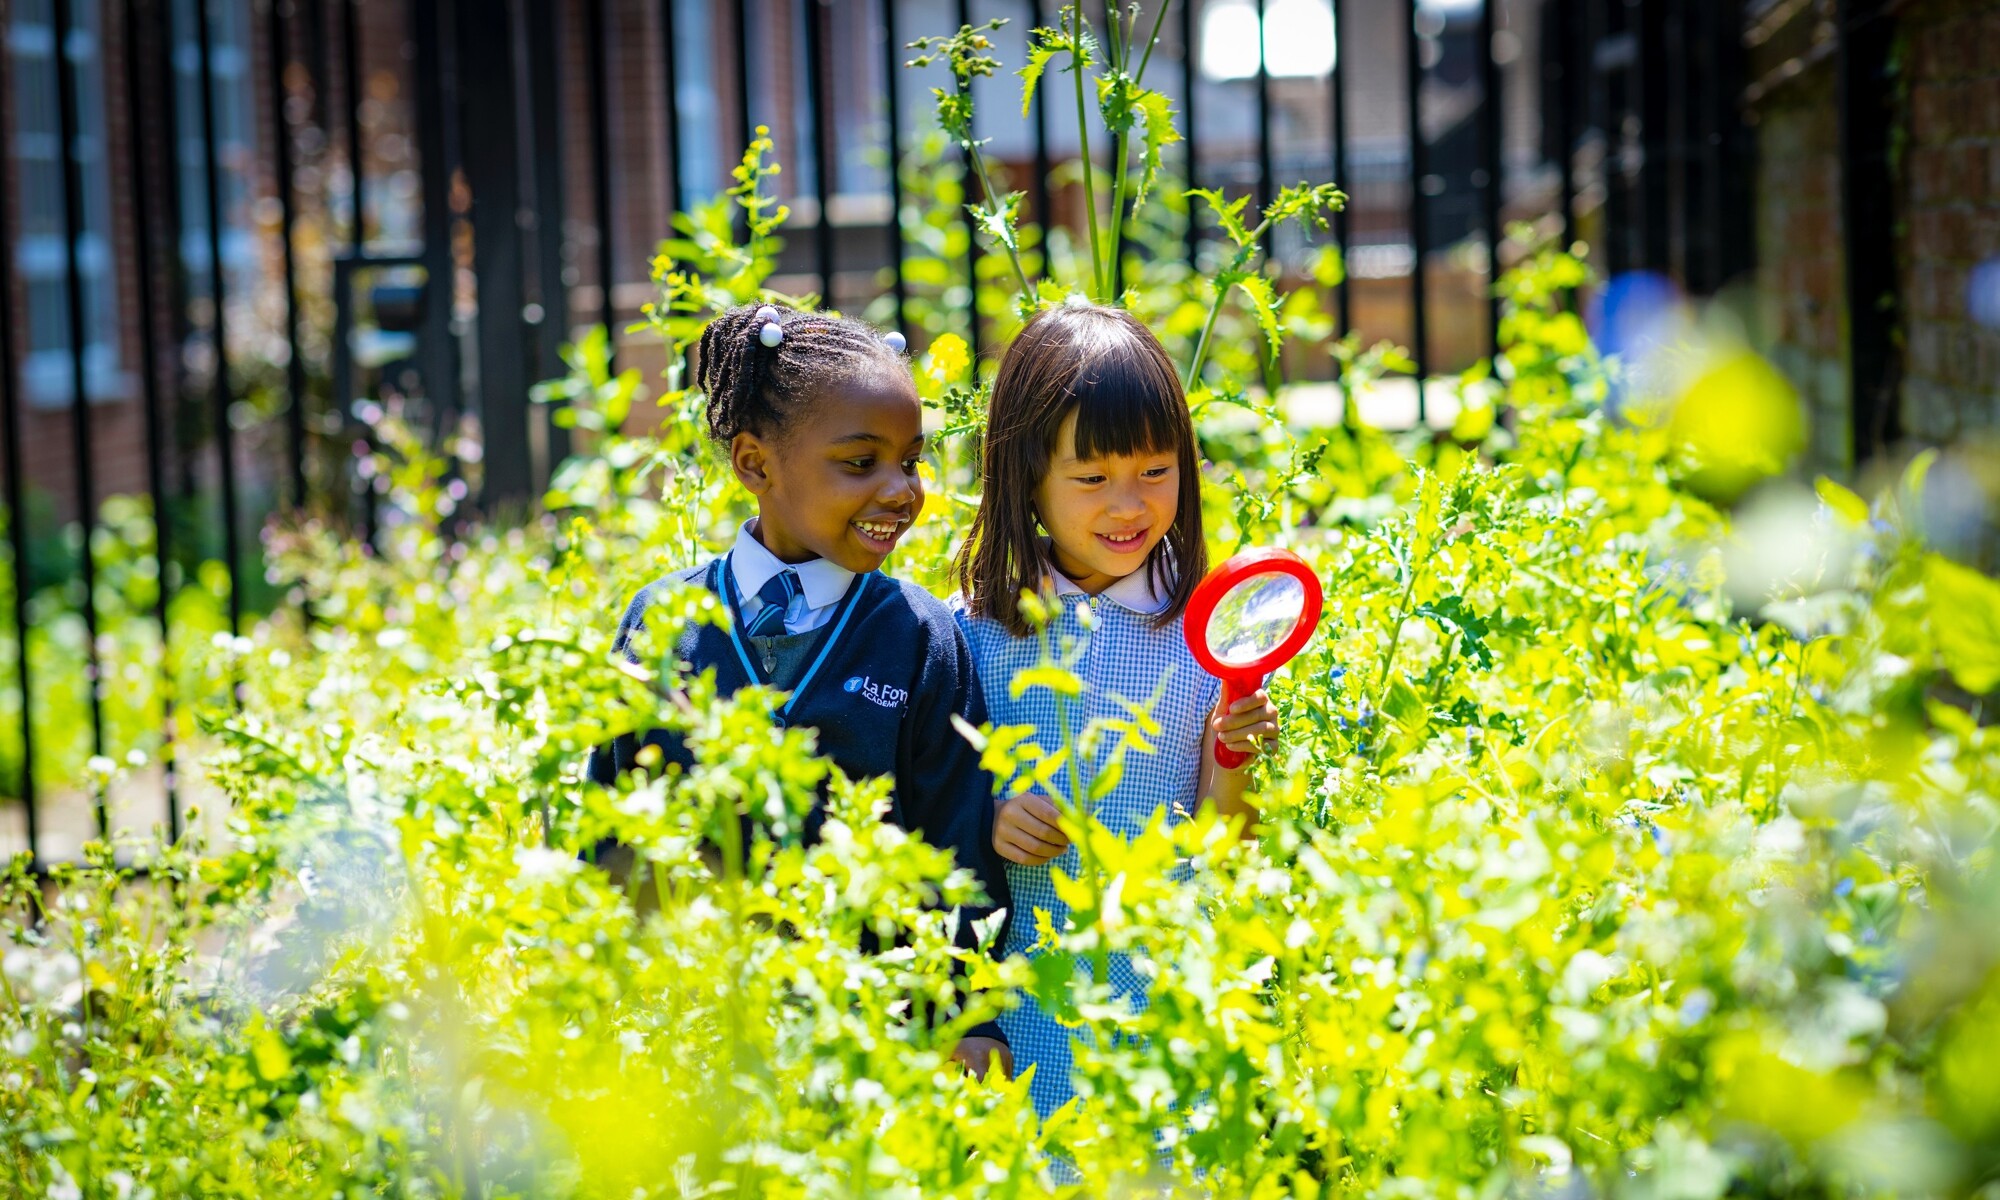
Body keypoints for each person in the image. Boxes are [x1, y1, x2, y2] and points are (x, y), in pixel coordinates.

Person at [590, 302, 1011, 1078]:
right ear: (755, 464)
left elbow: (958, 836)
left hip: (872, 1038)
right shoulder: (665, 620)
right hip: (690, 1040)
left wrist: (971, 1016)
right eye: (861, 463)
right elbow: (606, 823)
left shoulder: (920, 635)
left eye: (911, 461)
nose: (901, 491)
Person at [953, 301, 1279, 1120]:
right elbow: (927, 809)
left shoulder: (1209, 634)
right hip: (1026, 1008)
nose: (1128, 505)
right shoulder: (974, 635)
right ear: (1024, 475)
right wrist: (990, 814)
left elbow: (1228, 847)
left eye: (1155, 471)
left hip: (1168, 1001)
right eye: (1092, 479)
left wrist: (1233, 755)